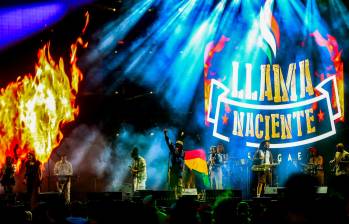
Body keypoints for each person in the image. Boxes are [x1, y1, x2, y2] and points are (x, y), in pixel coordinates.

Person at [164, 128, 185, 199]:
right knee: (173, 186)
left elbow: (181, 160)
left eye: (178, 146)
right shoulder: (173, 150)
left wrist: (177, 156)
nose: (176, 147)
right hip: (173, 170)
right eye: (176, 145)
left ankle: (180, 198)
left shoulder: (182, 152)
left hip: (179, 171)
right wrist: (165, 134)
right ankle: (174, 198)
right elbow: (169, 142)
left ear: (181, 147)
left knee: (179, 185)